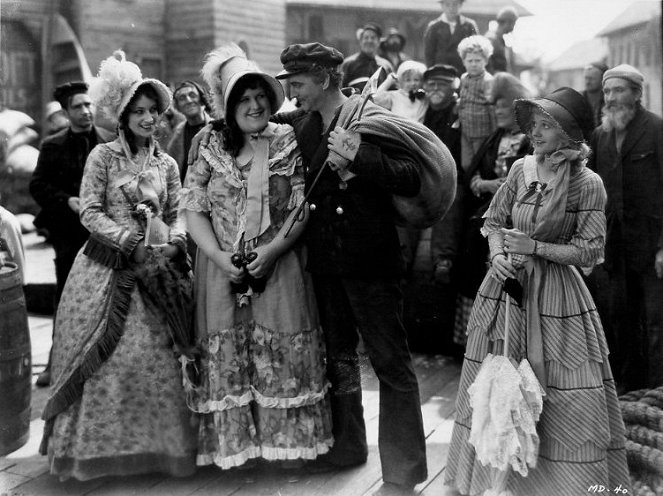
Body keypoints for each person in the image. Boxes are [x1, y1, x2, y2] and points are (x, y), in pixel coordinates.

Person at [273, 41, 454, 495]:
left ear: (325, 79)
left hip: (372, 264)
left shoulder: (369, 119)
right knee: (340, 360)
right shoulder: (302, 123)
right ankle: (347, 447)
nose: (292, 92)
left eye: (298, 83)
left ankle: (403, 470)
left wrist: (359, 154)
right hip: (328, 264)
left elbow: (410, 178)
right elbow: (257, 124)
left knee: (390, 363)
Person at [444, 87, 631, 495]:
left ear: (569, 133)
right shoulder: (519, 171)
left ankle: (557, 485)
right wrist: (496, 255)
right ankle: (499, 484)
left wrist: (536, 248)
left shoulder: (588, 183)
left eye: (547, 125)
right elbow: (492, 221)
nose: (536, 132)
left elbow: (591, 250)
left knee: (561, 391)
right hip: (505, 291)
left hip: (556, 299)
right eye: (535, 124)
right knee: (498, 387)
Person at [39, 50, 197, 480]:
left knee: (160, 363)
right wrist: (129, 240)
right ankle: (100, 454)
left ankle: (159, 452)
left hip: (159, 270)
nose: (148, 119)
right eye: (138, 112)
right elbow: (89, 211)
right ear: (123, 116)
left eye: (153, 111)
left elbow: (177, 209)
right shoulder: (102, 157)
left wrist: (176, 239)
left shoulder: (165, 163)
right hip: (106, 270)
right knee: (113, 363)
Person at [182, 44, 333, 470]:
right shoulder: (207, 142)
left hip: (278, 264)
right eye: (244, 99)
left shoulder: (284, 138)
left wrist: (271, 251)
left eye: (260, 98)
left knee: (279, 345)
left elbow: (300, 206)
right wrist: (217, 255)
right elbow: (193, 208)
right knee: (229, 348)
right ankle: (240, 452)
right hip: (220, 267)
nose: (255, 105)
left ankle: (283, 450)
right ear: (228, 106)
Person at [29, 81, 114, 387]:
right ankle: (56, 361)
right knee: (66, 295)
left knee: (104, 296)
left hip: (103, 232)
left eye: (89, 104)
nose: (86, 111)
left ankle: (97, 363)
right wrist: (68, 201)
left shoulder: (107, 141)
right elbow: (37, 186)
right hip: (68, 233)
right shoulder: (52, 146)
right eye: (78, 106)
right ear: (66, 112)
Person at [589, 64, 663, 392]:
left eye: (619, 90)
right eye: (607, 91)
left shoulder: (656, 129)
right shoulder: (600, 135)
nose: (612, 97)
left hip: (651, 246)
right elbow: (590, 193)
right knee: (620, 319)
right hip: (613, 246)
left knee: (656, 322)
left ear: (636, 94)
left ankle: (658, 394)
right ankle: (629, 392)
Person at [453, 72, 531, 350]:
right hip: (487, 221)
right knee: (477, 273)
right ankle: (478, 341)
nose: (497, 112)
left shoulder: (531, 142)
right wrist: (488, 185)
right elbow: (472, 178)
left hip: (519, 224)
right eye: (495, 107)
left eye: (503, 107)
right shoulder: (493, 139)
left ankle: (509, 342)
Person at [457, 35, 496, 172]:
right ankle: (471, 186)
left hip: (482, 131)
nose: (473, 64)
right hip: (466, 129)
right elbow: (463, 99)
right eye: (470, 60)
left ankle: (479, 189)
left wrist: (494, 132)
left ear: (485, 60)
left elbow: (492, 107)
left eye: (478, 60)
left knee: (480, 163)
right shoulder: (463, 78)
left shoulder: (488, 81)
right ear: (463, 62)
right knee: (466, 164)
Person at [166, 80, 213, 182]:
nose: (188, 100)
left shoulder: (217, 129)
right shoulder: (177, 134)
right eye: (182, 98)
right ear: (177, 107)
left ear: (201, 100)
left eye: (192, 95)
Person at [423, 0, 478, 75]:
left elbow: (476, 51)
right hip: (440, 72)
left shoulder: (469, 26)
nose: (451, 8)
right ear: (442, 6)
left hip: (462, 71)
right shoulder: (434, 27)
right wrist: (432, 72)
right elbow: (429, 54)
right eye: (447, 5)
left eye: (455, 5)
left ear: (460, 5)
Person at [341, 22, 393, 91]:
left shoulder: (386, 66)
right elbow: (340, 90)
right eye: (366, 37)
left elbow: (392, 92)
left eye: (373, 38)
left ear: (378, 42)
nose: (369, 41)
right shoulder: (348, 64)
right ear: (361, 41)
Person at [485, 6, 519, 74]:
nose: (513, 27)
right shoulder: (492, 39)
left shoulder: (500, 40)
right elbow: (487, 64)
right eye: (513, 23)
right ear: (507, 22)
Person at [581, 61, 608, 128]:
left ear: (603, 80)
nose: (587, 82)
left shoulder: (609, 100)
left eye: (592, 79)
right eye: (586, 78)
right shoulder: (577, 98)